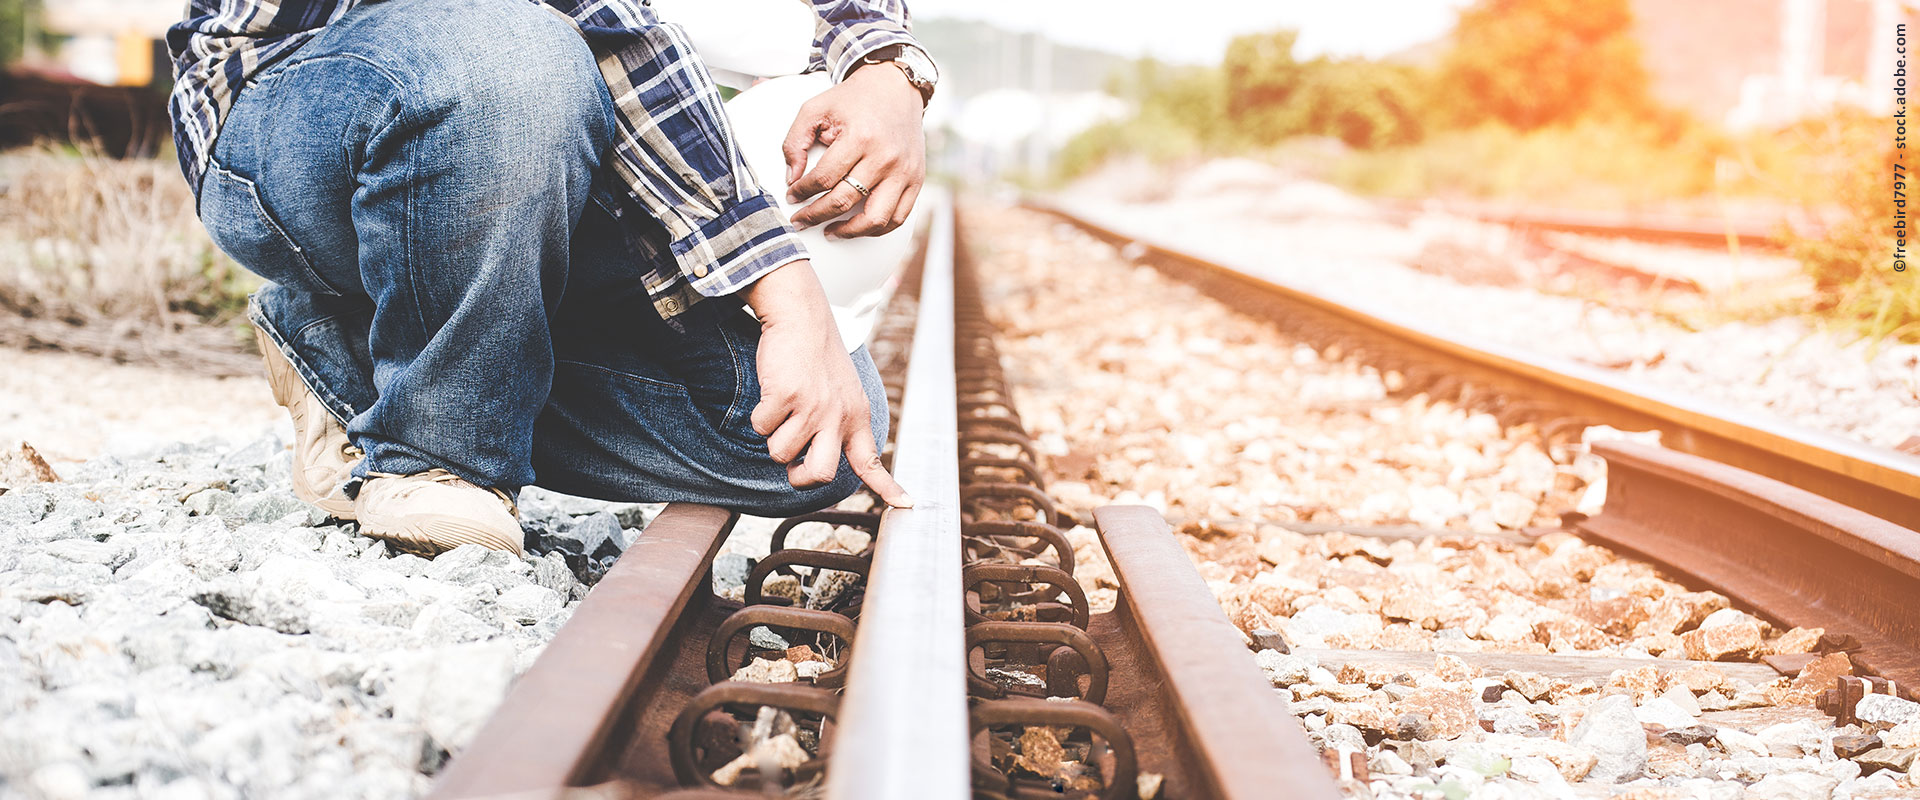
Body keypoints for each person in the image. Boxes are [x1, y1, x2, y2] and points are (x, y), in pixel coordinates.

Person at [167, 0, 938, 556]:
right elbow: (606, 27)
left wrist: (886, 69)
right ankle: (440, 453)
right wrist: (780, 284)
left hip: (547, 130)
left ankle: (341, 352)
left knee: (817, 437)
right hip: (309, 110)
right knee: (514, 56)